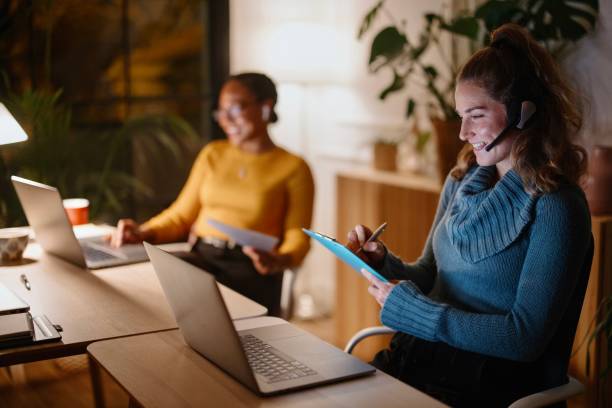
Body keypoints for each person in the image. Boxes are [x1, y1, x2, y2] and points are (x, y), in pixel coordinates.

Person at [346, 24, 591, 407]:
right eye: (461, 115)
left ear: (523, 112)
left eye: (476, 115)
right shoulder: (460, 181)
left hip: (487, 384)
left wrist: (417, 312)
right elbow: (429, 276)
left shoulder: (558, 207)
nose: (462, 132)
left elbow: (523, 337)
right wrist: (383, 262)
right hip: (423, 359)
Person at [110, 72, 315, 316]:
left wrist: (279, 259)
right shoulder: (213, 154)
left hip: (252, 269)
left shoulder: (293, 167)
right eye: (221, 111)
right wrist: (143, 232)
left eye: (235, 109)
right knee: (140, 289)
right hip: (203, 259)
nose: (225, 119)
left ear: (265, 107)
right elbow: (180, 216)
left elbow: (297, 235)